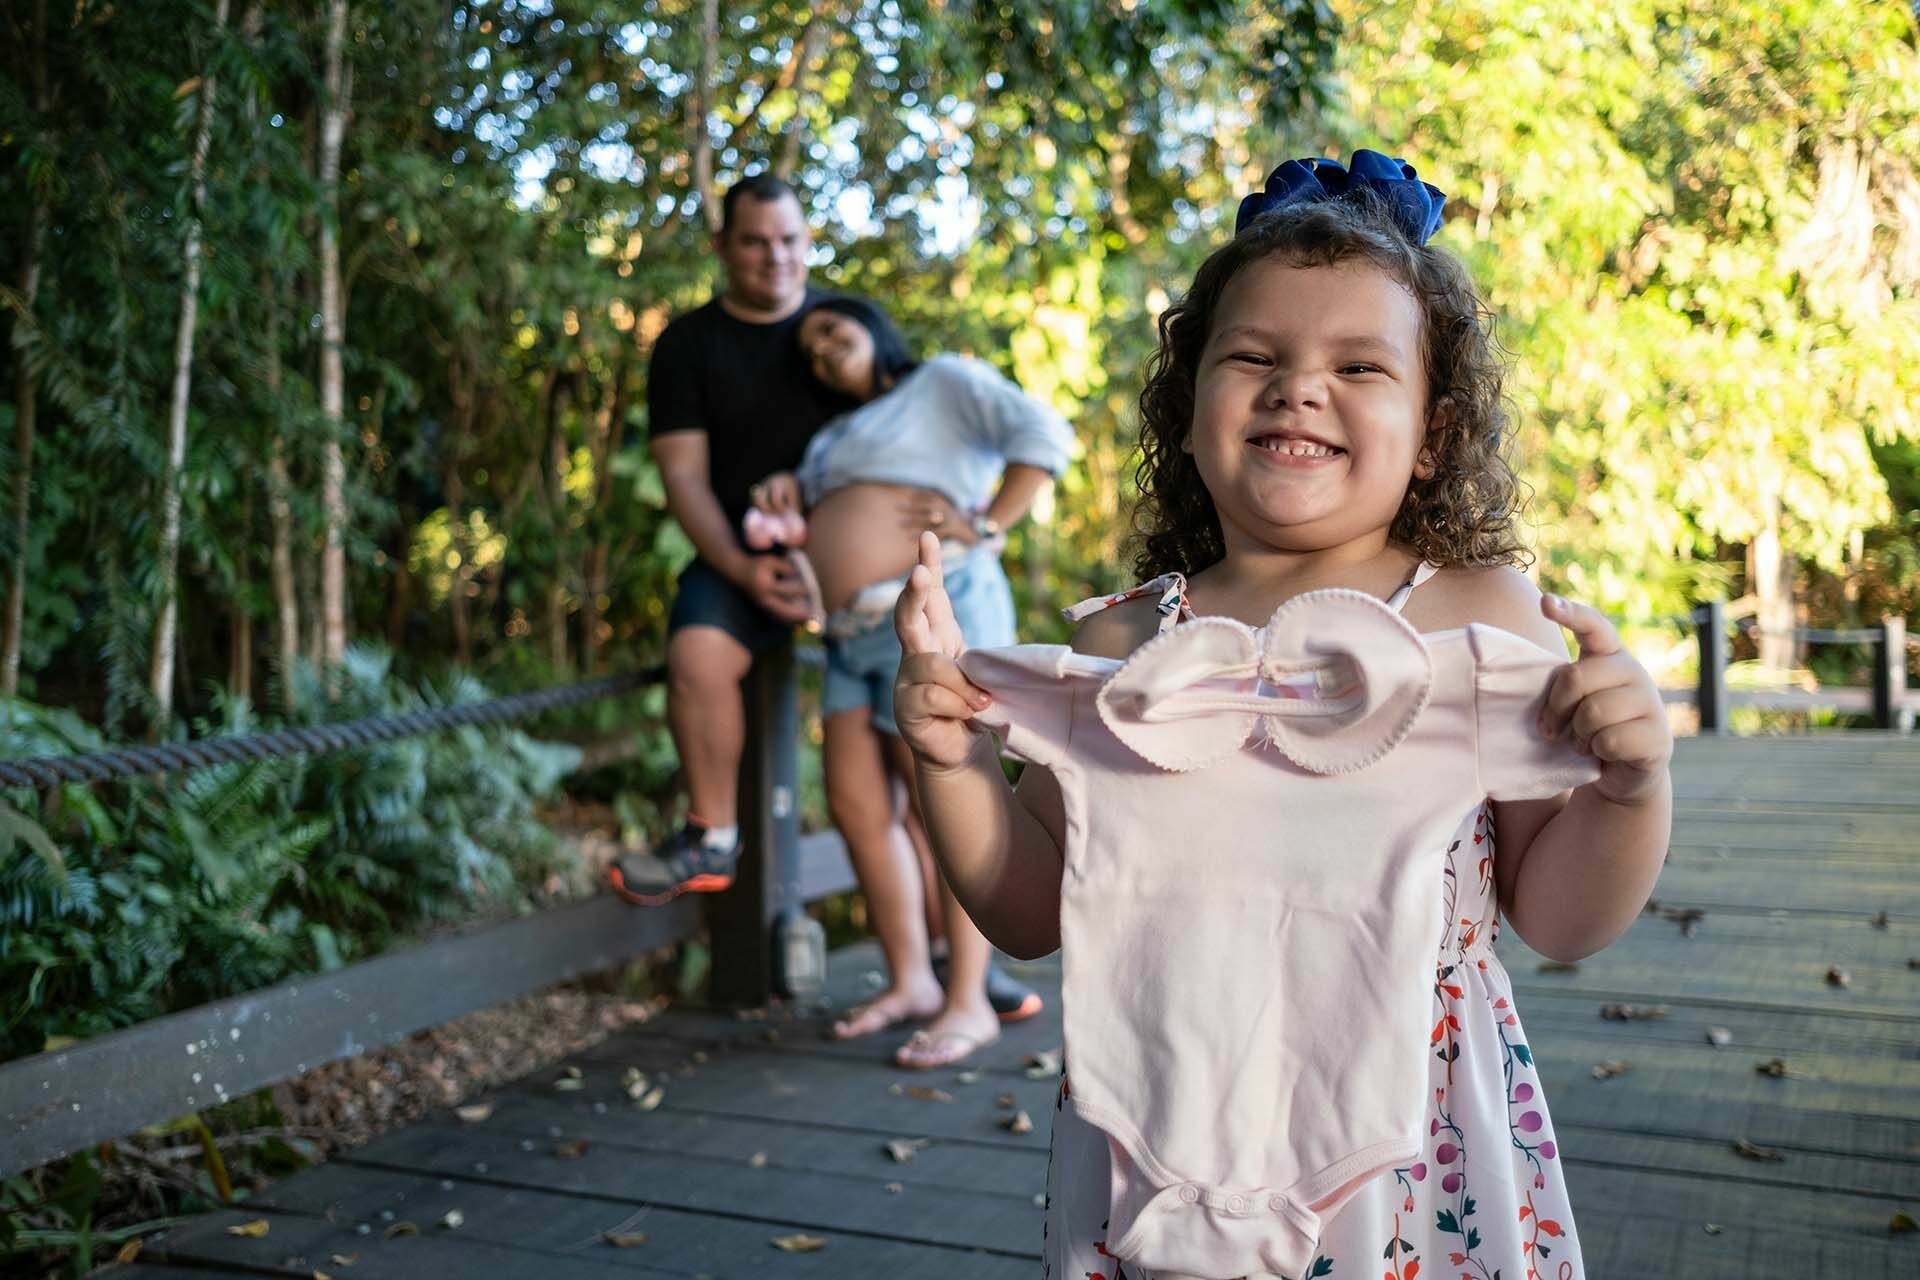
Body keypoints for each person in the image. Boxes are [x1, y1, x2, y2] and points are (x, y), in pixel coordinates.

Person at [891, 152, 1672, 1278]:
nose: (1299, 385)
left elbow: (1558, 913)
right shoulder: (1122, 641)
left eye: (1359, 364)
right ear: (1188, 401)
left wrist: (1631, 783)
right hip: (1150, 1115)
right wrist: (952, 759)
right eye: (1254, 355)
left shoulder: (1479, 614)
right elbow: (1025, 907)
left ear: (1436, 432)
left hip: (1408, 1139)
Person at [749, 296, 1073, 1068]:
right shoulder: (829, 437)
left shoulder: (941, 381)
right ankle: (909, 982)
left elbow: (1044, 435)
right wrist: (788, 496)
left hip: (938, 606)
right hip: (849, 633)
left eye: (833, 328)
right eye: (810, 347)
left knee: (945, 806)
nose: (823, 347)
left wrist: (989, 523)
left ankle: (969, 999)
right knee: (858, 807)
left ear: (873, 325)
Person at [608, 174, 852, 905]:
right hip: (738, 557)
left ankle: (966, 962)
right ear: (722, 245)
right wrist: (745, 573)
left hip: (853, 563)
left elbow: (905, 436)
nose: (775, 257)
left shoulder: (845, 326)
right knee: (696, 654)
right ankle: (711, 839)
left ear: (808, 243)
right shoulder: (687, 344)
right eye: (754, 241)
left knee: (898, 757)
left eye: (789, 240)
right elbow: (682, 476)